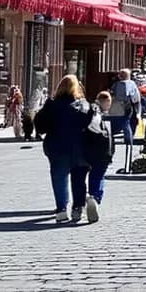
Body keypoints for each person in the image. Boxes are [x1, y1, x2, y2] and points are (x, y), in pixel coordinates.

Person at [33, 75, 93, 223]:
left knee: (59, 178)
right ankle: (78, 208)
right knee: (79, 179)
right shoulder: (85, 105)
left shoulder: (51, 105)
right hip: (81, 149)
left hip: (58, 147)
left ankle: (61, 209)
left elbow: (40, 126)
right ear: (77, 88)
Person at [84, 91, 114, 223]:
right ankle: (94, 196)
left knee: (89, 174)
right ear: (105, 102)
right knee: (99, 174)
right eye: (109, 104)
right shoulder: (98, 114)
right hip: (100, 150)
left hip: (86, 149)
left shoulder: (88, 109)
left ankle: (88, 198)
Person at [107, 69, 141, 147]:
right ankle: (129, 139)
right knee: (127, 122)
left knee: (119, 122)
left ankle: (111, 139)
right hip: (128, 106)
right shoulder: (131, 84)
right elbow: (135, 97)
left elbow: (112, 93)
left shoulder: (117, 84)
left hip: (117, 107)